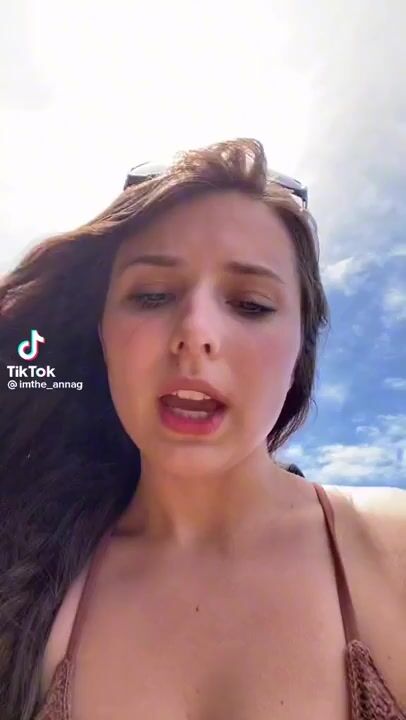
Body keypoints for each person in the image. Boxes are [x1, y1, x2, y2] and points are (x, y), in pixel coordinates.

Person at [0, 138, 405, 719]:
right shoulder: (28, 585)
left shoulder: (393, 548)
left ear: (300, 349)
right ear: (103, 337)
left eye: (251, 304)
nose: (196, 332)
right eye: (152, 296)